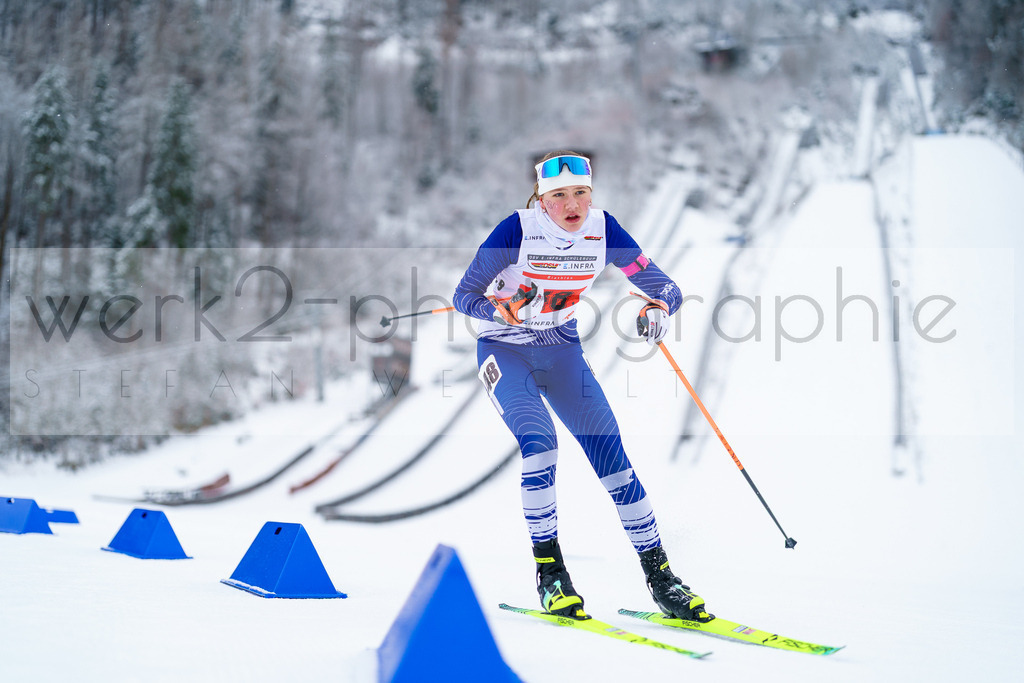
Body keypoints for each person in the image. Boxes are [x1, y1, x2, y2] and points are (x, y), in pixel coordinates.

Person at [453, 150, 712, 622]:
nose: (572, 205)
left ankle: (662, 579)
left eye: (581, 193)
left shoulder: (603, 229)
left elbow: (665, 288)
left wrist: (657, 309)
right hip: (505, 351)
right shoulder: (516, 230)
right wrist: (501, 311)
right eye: (559, 196)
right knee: (540, 443)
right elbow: (463, 296)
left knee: (612, 457)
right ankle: (552, 576)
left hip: (561, 349)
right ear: (541, 200)